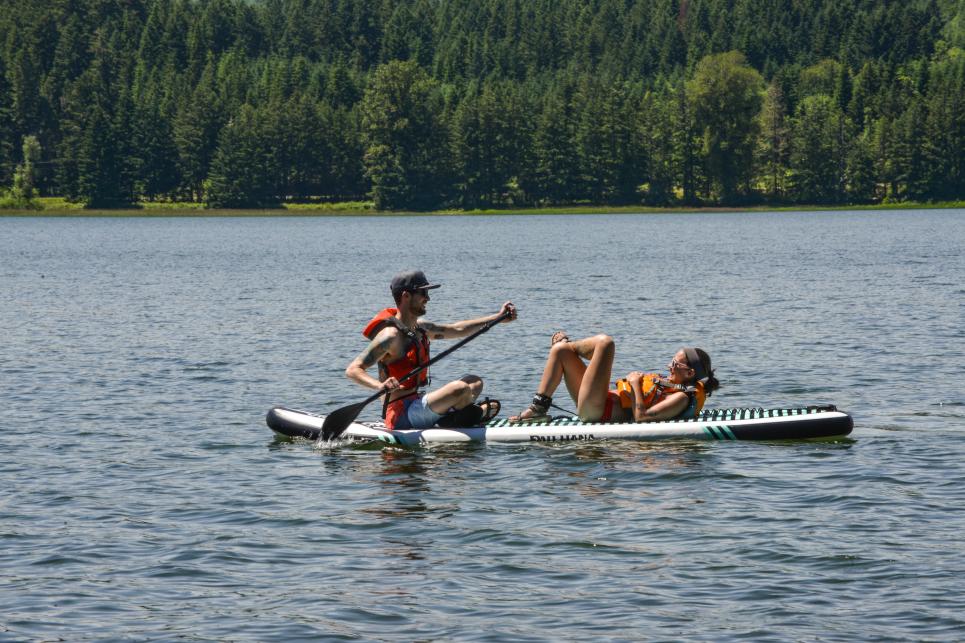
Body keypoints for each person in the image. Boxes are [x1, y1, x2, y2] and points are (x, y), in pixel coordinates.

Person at [345, 270, 517, 430]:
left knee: (474, 382)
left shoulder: (421, 328)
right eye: (423, 293)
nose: (428, 298)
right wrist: (380, 385)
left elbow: (458, 329)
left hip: (418, 402)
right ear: (406, 296)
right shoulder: (390, 336)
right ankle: (461, 415)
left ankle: (454, 416)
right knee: (459, 389)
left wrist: (498, 318)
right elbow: (353, 370)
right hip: (401, 415)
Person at [512, 333, 719, 423]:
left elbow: (642, 418)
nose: (668, 366)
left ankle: (568, 342)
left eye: (674, 364)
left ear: (690, 373)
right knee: (560, 352)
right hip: (598, 401)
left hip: (600, 411)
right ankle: (537, 409)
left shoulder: (682, 397)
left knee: (605, 343)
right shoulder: (673, 384)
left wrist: (636, 385)